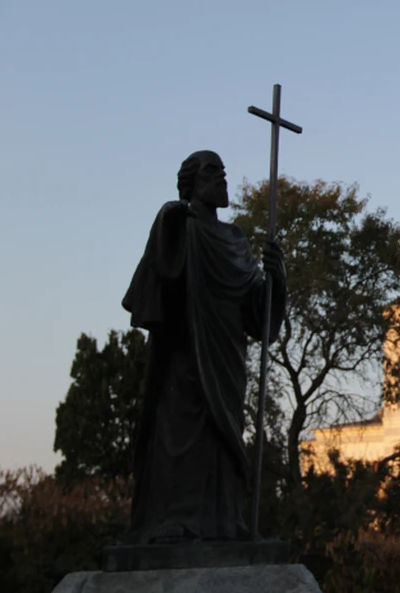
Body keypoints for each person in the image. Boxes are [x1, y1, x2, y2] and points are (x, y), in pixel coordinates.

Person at [121, 150, 286, 543]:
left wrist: (276, 278)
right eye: (213, 172)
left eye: (224, 172)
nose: (222, 178)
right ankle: (174, 520)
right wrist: (170, 218)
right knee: (183, 434)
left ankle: (226, 520)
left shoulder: (236, 239)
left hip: (227, 352)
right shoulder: (179, 224)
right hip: (186, 347)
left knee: (223, 436)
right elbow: (162, 271)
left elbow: (256, 311)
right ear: (192, 183)